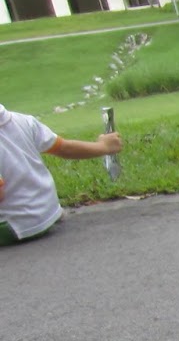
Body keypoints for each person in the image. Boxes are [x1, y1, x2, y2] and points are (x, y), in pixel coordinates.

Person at [0, 105, 122, 246]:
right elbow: (64, 148)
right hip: (48, 212)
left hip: (14, 226)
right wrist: (104, 147)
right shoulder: (22, 120)